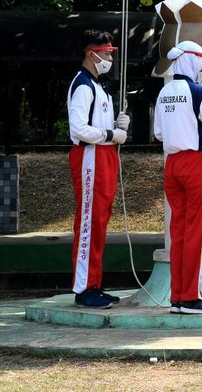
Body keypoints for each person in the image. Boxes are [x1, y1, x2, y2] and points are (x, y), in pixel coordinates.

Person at [154, 41, 202, 315]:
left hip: (172, 163)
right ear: (192, 61)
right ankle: (192, 296)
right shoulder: (199, 91)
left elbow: (159, 134)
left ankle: (178, 296)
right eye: (201, 62)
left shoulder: (164, 92)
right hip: (197, 162)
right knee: (200, 230)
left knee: (179, 230)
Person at [67, 29, 129, 309]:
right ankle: (83, 287)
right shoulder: (83, 85)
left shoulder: (98, 85)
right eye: (106, 53)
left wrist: (118, 128)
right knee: (89, 220)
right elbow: (79, 129)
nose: (109, 57)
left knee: (100, 220)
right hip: (90, 156)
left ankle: (94, 282)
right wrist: (110, 134)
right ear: (92, 54)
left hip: (103, 155)